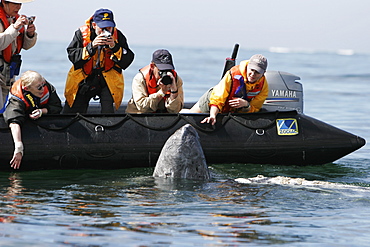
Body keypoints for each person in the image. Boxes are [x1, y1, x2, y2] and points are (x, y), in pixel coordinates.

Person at [62, 8, 134, 114]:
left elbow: (127, 60)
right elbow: (73, 57)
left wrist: (115, 47)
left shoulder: (118, 36)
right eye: (102, 28)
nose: (106, 31)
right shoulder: (81, 34)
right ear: (94, 25)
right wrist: (91, 46)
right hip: (84, 78)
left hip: (107, 80)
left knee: (108, 111)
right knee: (72, 111)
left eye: (109, 27)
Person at [3, 70, 62, 169]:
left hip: (40, 111)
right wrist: (18, 147)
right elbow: (14, 121)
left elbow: (57, 107)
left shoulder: (47, 88)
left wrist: (42, 111)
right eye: (39, 87)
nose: (43, 89)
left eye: (43, 84)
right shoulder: (17, 98)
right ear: (27, 88)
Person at [189, 54, 268, 125]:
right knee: (190, 117)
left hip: (231, 110)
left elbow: (255, 108)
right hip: (212, 100)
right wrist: (212, 115)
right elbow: (217, 99)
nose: (253, 74)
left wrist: (246, 105)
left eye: (257, 72)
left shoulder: (263, 86)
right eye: (251, 70)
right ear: (247, 67)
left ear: (263, 73)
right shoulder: (231, 75)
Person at [0, 0, 37, 112]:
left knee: (2, 108)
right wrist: (15, 28)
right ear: (4, 3)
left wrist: (30, 35)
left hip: (7, 74)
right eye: (15, 4)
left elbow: (24, 46)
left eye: (20, 4)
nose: (18, 7)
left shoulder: (15, 19)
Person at [126, 49, 184, 113]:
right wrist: (161, 93)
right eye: (161, 70)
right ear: (152, 66)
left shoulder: (175, 79)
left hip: (164, 117)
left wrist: (174, 92)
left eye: (168, 69)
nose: (165, 73)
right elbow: (142, 107)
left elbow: (176, 110)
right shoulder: (140, 78)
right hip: (139, 117)